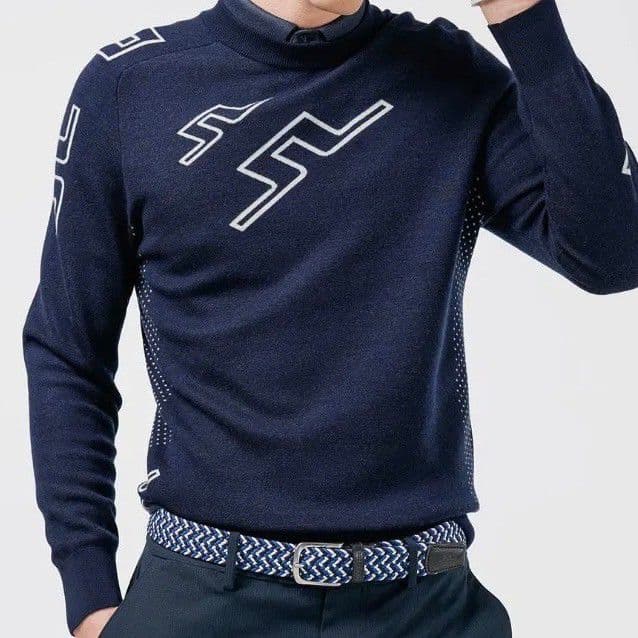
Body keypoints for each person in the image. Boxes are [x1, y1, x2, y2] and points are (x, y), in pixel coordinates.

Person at [24, 0, 638, 636]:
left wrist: (524, 17)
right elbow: (68, 349)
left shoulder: (452, 75)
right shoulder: (130, 86)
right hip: (203, 594)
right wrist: (89, 594)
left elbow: (614, 254)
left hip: (424, 601)